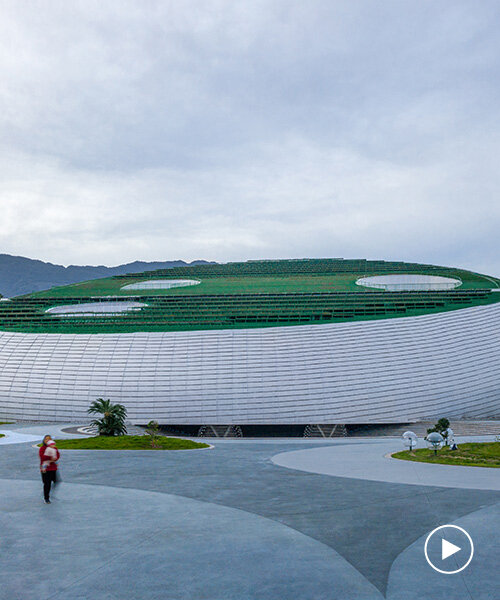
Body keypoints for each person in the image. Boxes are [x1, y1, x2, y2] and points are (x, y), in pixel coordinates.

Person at [39, 435, 60, 504]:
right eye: (46, 439)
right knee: (47, 484)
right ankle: (46, 498)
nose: (48, 440)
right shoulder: (42, 448)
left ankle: (48, 492)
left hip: (53, 468)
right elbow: (42, 458)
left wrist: (54, 459)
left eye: (49, 439)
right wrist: (50, 457)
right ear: (44, 441)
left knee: (56, 480)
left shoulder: (54, 448)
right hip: (45, 468)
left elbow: (57, 455)